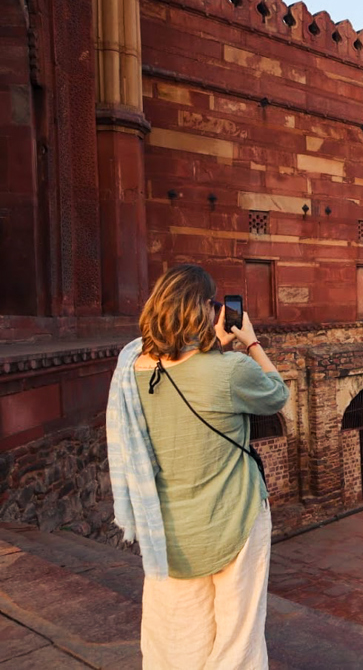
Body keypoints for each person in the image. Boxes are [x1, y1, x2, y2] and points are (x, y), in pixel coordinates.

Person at [106, 264, 289, 669]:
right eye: (214, 304)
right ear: (202, 308)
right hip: (235, 518)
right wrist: (252, 343)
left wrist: (214, 349)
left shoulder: (130, 369)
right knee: (237, 633)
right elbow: (276, 394)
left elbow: (185, 374)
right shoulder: (230, 371)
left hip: (171, 528)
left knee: (180, 633)